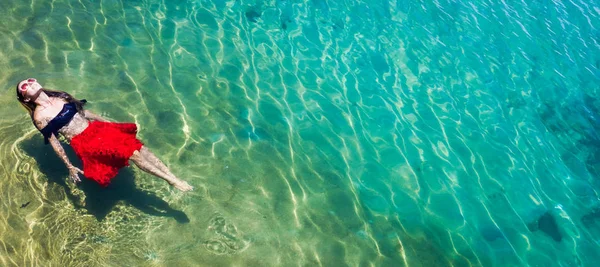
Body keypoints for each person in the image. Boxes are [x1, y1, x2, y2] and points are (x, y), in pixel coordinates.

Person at [16, 78, 193, 192]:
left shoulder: (60, 98)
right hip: (84, 142)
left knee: (139, 147)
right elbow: (54, 142)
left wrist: (107, 123)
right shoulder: (40, 117)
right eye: (25, 86)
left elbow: (84, 113)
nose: (30, 83)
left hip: (97, 129)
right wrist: (69, 165)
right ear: (25, 98)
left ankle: (173, 177)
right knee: (133, 154)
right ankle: (171, 180)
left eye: (31, 80)